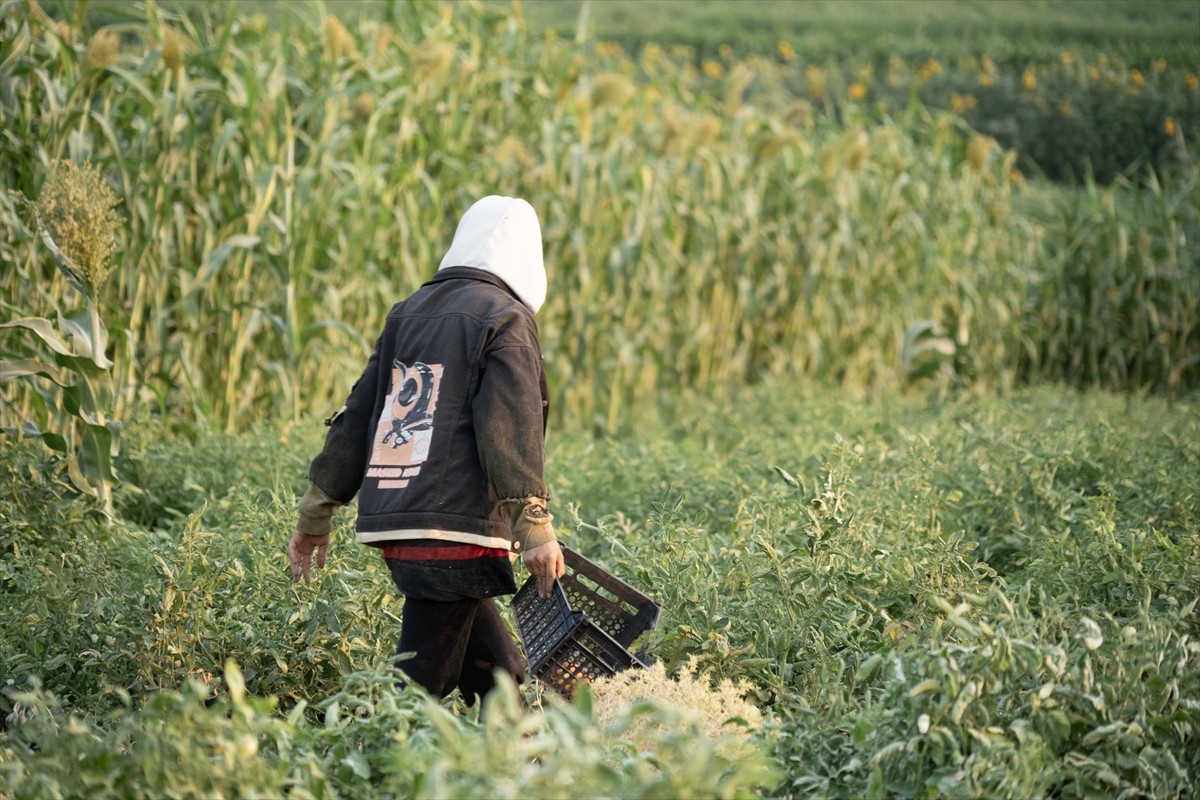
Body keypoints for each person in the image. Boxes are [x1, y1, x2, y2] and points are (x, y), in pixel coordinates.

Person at [287, 195, 566, 704]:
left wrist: (316, 510)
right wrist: (536, 528)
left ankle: (512, 766)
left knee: (497, 677)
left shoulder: (408, 312)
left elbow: (359, 413)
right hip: (456, 529)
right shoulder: (506, 318)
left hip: (401, 522)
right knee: (417, 691)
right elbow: (511, 426)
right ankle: (380, 773)